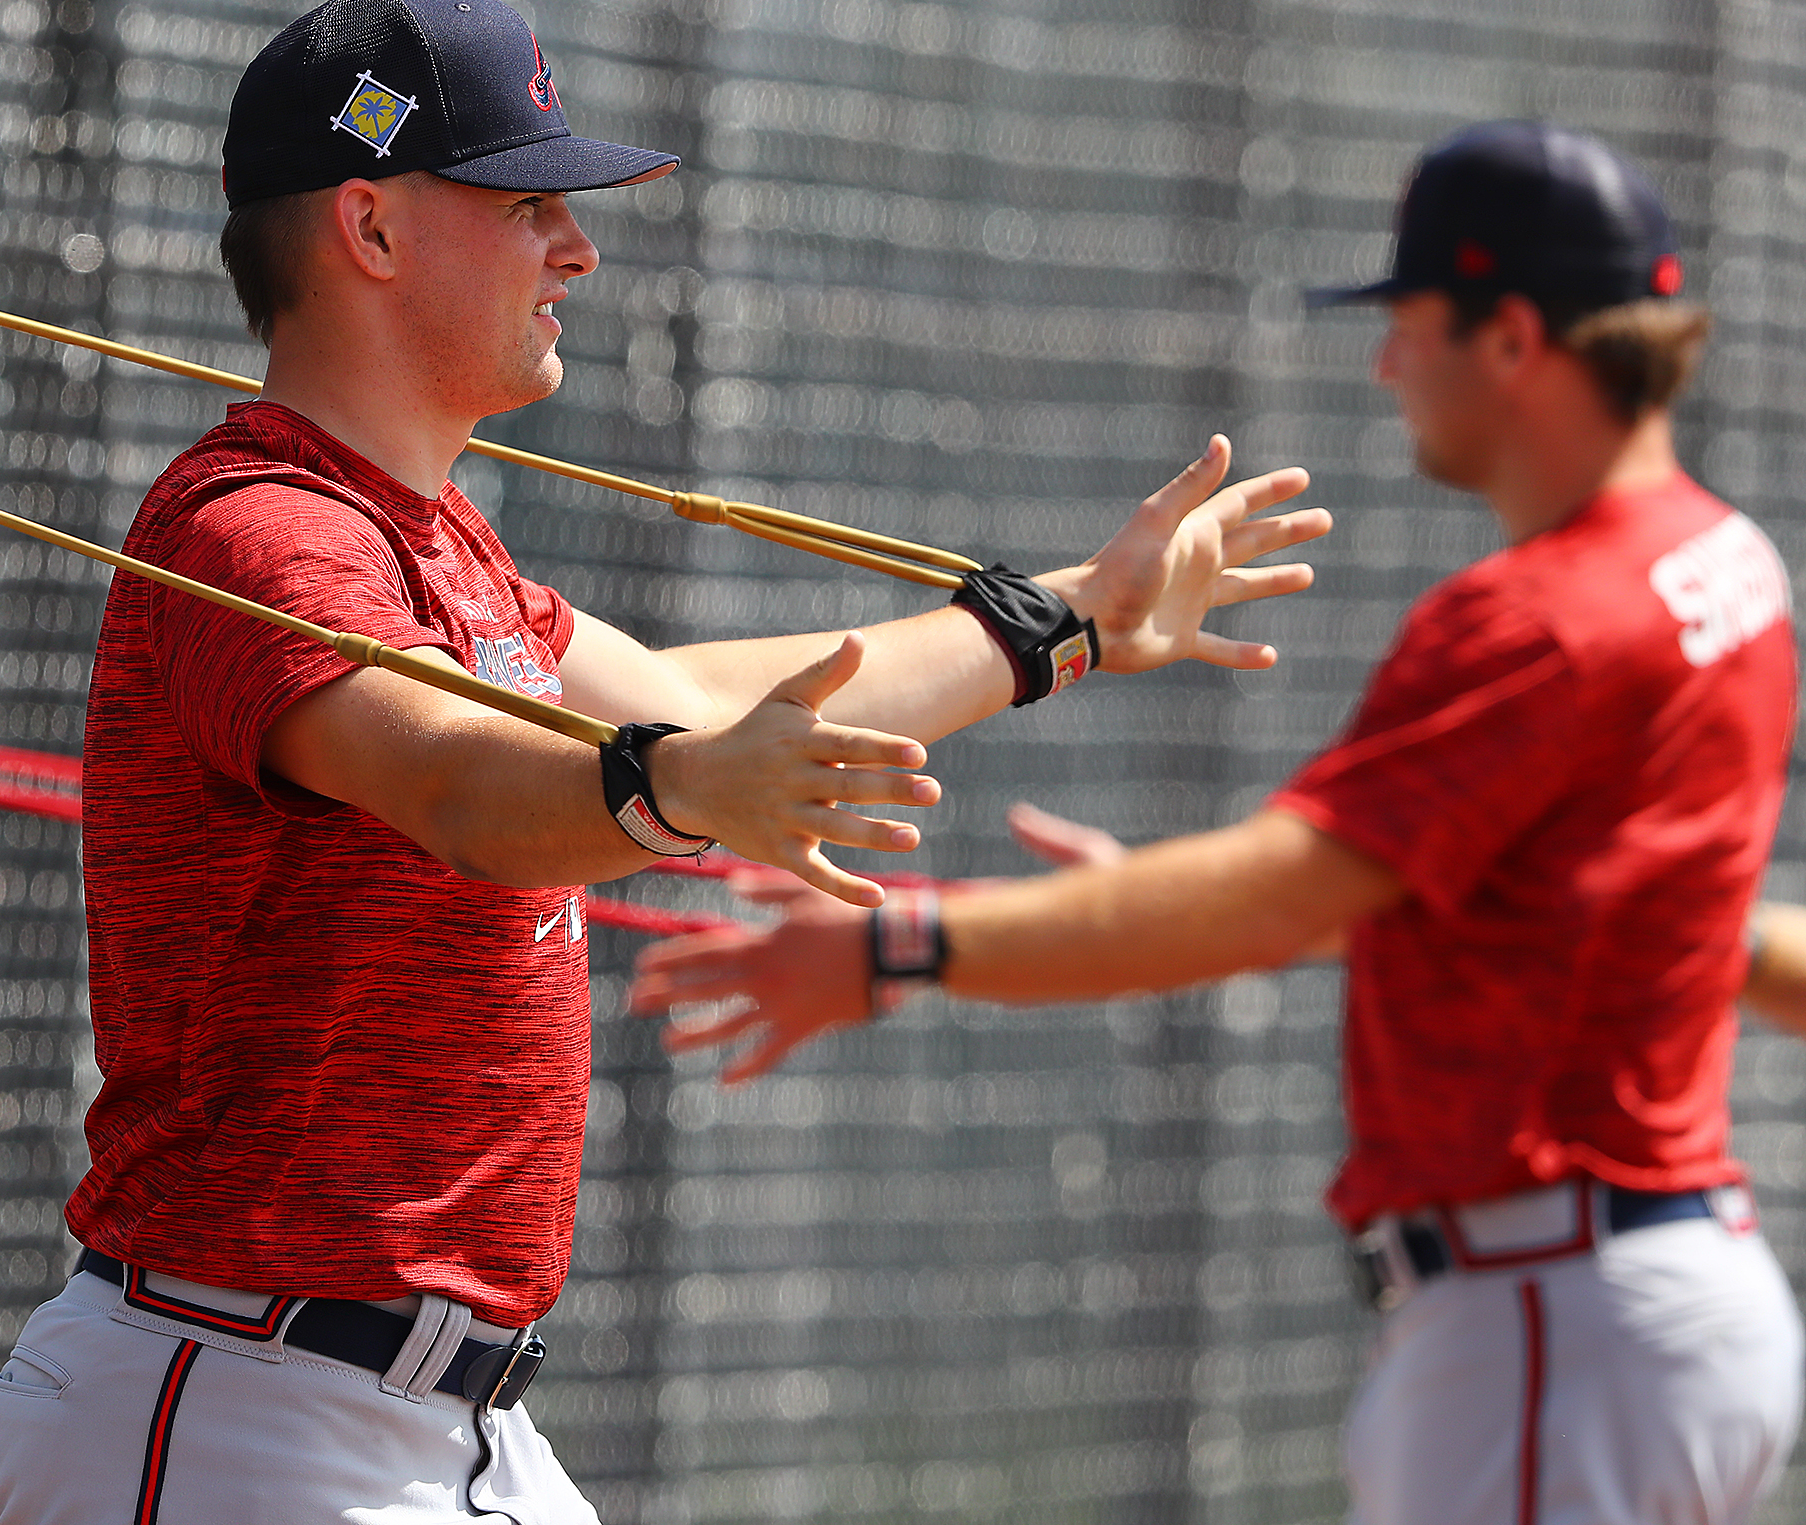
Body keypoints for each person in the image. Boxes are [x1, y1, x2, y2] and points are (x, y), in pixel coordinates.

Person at [0, 0, 1328, 1525]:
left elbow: (707, 693)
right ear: (370, 226)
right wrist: (672, 788)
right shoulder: (255, 530)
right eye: (525, 197)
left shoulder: (431, 539)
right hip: (239, 1411)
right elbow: (462, 784)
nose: (577, 246)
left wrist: (1068, 619)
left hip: (419, 1421)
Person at [632, 120, 1801, 1525]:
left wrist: (900, 945)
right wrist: (1165, 893)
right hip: (1659, 1300)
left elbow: (1283, 895)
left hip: (1556, 1313)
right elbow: (1567, 912)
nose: (1385, 363)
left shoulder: (1546, 617)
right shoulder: (1726, 564)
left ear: (1512, 337)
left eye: (1410, 321)